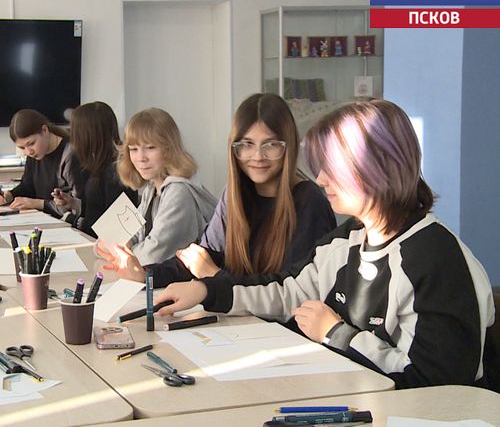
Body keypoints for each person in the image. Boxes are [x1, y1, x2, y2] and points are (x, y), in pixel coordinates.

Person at [154, 100, 495, 389]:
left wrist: (335, 333)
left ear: (377, 167)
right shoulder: (349, 238)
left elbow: (437, 383)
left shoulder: (436, 258)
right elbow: (288, 290)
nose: (320, 179)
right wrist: (206, 291)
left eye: (331, 167)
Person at [101, 93, 336, 289]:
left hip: (280, 327)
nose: (257, 156)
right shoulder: (234, 194)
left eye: (271, 144)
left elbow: (290, 291)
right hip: (240, 318)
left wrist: (215, 276)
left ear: (288, 146)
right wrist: (145, 275)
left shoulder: (309, 202)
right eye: (247, 145)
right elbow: (203, 256)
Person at [103, 107, 217, 266]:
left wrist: (120, 253)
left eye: (150, 147)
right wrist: (114, 244)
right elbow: (127, 235)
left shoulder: (179, 192)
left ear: (169, 149)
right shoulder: (152, 188)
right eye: (133, 149)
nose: (141, 158)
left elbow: (154, 254)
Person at [51, 101, 137, 236]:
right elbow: (99, 207)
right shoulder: (101, 163)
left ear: (86, 134)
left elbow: (114, 226)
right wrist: (74, 204)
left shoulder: (115, 170)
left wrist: (73, 220)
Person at [0, 109, 75, 214]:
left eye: (31, 143)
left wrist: (37, 204)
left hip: (63, 221)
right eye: (22, 148)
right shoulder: (35, 153)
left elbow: (75, 204)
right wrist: (9, 196)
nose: (28, 152)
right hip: (41, 217)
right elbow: (28, 187)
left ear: (45, 130)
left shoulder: (70, 154)